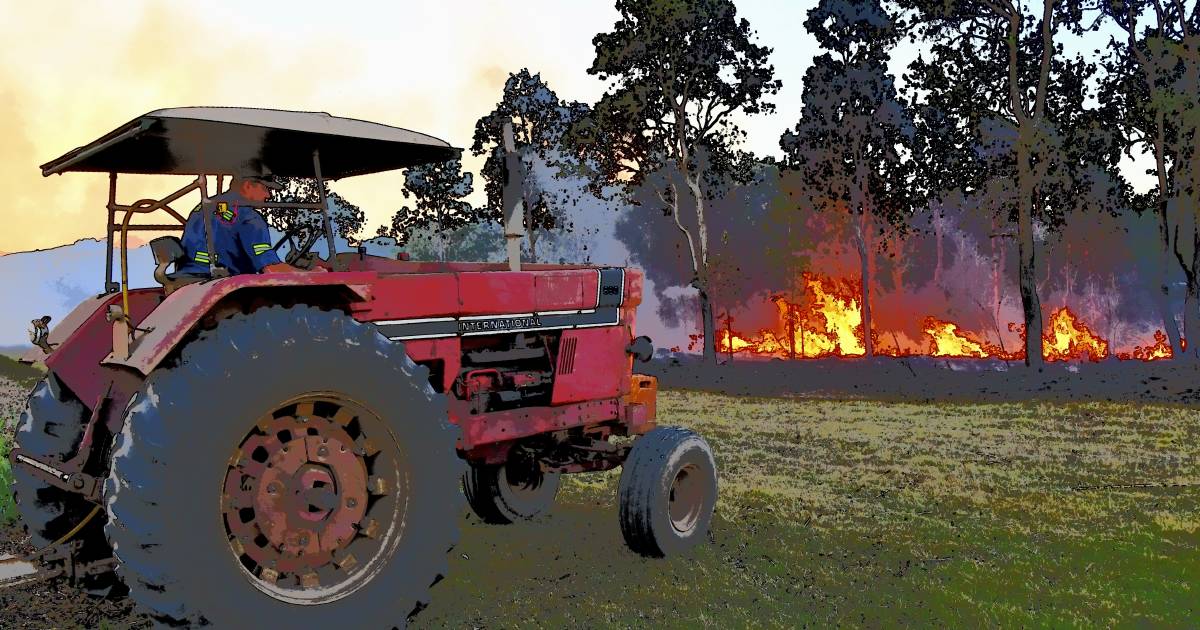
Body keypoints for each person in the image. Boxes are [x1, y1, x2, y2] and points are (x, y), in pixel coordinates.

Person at [177, 174, 321, 275]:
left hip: (190, 276)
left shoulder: (204, 206)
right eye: (265, 188)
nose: (268, 195)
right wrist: (313, 274)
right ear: (247, 186)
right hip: (223, 281)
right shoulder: (249, 217)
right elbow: (272, 269)